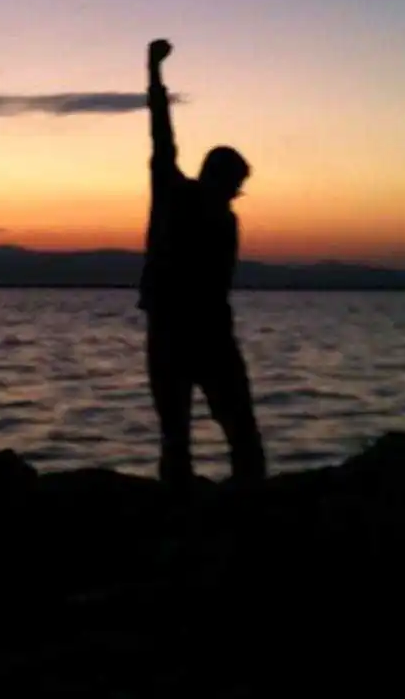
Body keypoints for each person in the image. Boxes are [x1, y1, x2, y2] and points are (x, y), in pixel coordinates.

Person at [138, 38, 266, 486]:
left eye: (238, 188)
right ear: (218, 177)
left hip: (205, 331)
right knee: (181, 436)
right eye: (234, 185)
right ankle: (185, 508)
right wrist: (154, 73)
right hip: (177, 330)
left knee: (236, 430)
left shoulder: (225, 218)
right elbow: (161, 133)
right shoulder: (175, 192)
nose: (235, 194)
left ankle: (246, 501)